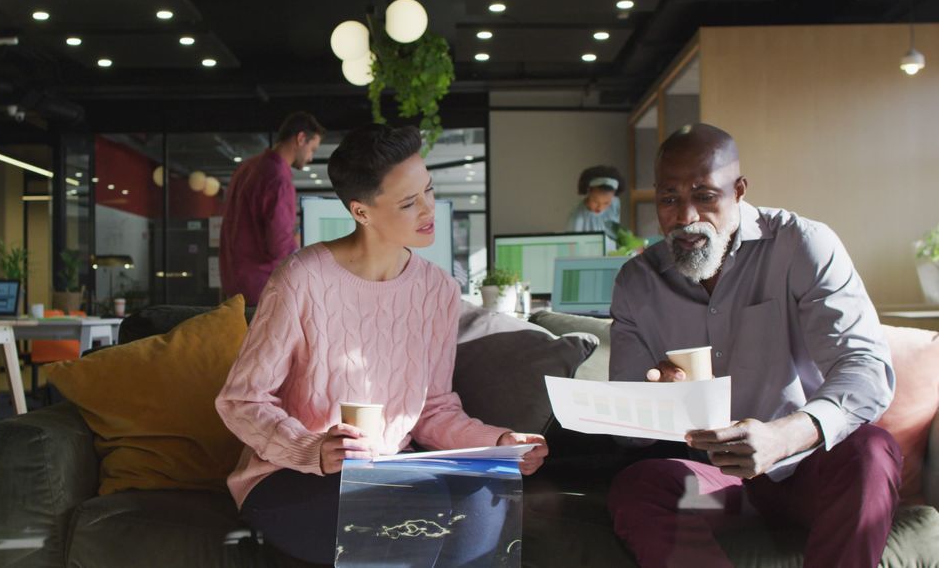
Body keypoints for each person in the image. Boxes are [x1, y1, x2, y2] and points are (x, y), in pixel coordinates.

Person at [215, 124, 548, 566]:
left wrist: (501, 441)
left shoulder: (438, 290)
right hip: (292, 474)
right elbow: (241, 399)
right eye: (409, 202)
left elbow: (432, 409)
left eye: (428, 190)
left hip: (391, 472)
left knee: (487, 502)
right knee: (416, 517)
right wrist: (312, 449)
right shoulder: (301, 279)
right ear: (362, 211)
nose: (428, 209)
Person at [606, 123, 901, 568]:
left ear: (739, 191)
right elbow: (624, 431)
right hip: (718, 489)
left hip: (807, 470)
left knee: (872, 450)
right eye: (669, 199)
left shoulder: (801, 244)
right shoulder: (637, 282)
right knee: (640, 485)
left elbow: (866, 366)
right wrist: (656, 402)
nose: (685, 217)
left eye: (705, 196)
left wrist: (786, 436)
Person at [219, 111, 325, 307]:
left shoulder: (246, 168)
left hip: (233, 285)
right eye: (313, 149)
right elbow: (279, 248)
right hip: (262, 289)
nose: (311, 157)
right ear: (301, 138)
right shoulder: (277, 178)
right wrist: (304, 237)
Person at [566, 165, 624, 232]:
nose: (600, 207)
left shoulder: (614, 204)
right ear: (588, 192)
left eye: (606, 203)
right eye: (595, 201)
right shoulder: (577, 217)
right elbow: (573, 240)